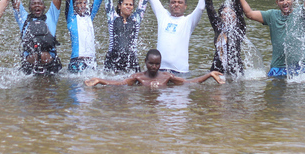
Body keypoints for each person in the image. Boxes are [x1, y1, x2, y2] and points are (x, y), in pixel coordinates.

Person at [147, 0, 207, 74]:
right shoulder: (163, 15)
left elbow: (200, 7)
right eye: (173, 2)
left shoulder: (188, 21)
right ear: (169, 5)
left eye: (180, 2)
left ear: (185, 6)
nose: (176, 4)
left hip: (180, 71)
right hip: (159, 70)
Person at [12, 0, 64, 75]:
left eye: (39, 3)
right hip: (29, 66)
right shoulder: (23, 18)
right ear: (29, 8)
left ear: (44, 7)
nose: (36, 5)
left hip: (50, 65)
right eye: (33, 4)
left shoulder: (51, 16)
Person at [103, 0, 151, 73]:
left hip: (131, 59)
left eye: (131, 5)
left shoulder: (136, 19)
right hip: (113, 58)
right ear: (119, 6)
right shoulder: (112, 17)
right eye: (126, 4)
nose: (129, 7)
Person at [85, 49, 225, 88]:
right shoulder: (138, 77)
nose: (154, 67)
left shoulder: (166, 77)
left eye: (157, 64)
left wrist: (209, 74)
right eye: (151, 63)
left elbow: (188, 83)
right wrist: (100, 80)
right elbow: (119, 84)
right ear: (145, 62)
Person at [62, 0, 108, 72]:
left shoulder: (89, 16)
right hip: (77, 62)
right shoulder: (71, 18)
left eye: (84, 2)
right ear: (74, 6)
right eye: (78, 3)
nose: (82, 5)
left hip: (92, 62)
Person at [205, 0, 246, 76]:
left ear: (235, 15)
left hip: (235, 69)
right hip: (217, 68)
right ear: (221, 16)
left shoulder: (239, 27)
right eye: (224, 14)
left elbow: (240, 10)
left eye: (230, 13)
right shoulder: (218, 26)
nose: (227, 16)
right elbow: (209, 7)